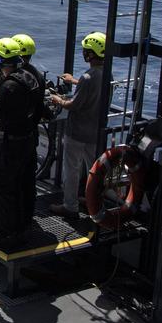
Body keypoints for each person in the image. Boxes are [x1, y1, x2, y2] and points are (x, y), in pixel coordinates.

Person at [0, 36, 45, 249]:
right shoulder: (30, 78)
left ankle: (2, 235)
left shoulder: (10, 85)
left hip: (9, 144)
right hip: (28, 141)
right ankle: (23, 228)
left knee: (3, 188)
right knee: (24, 185)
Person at [49, 31, 109, 219]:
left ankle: (70, 206)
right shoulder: (106, 73)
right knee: (95, 170)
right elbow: (91, 87)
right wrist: (74, 80)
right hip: (95, 132)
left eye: (85, 50)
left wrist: (57, 100)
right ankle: (94, 202)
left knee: (72, 170)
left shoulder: (87, 77)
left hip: (77, 133)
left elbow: (74, 105)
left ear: (90, 53)